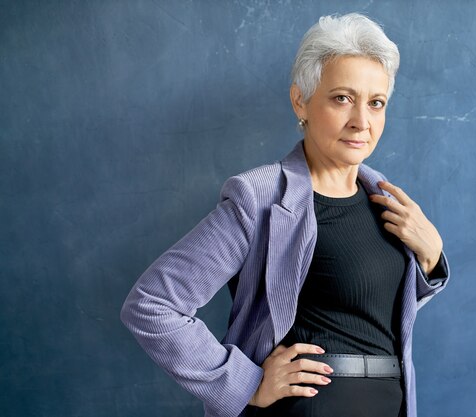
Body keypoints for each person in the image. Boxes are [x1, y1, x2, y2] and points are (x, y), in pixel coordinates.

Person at [121, 12, 450, 417]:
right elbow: (152, 303)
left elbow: (374, 314)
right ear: (301, 100)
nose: (361, 121)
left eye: (376, 103)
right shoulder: (259, 197)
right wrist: (245, 383)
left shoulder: (384, 196)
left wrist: (431, 258)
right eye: (342, 98)